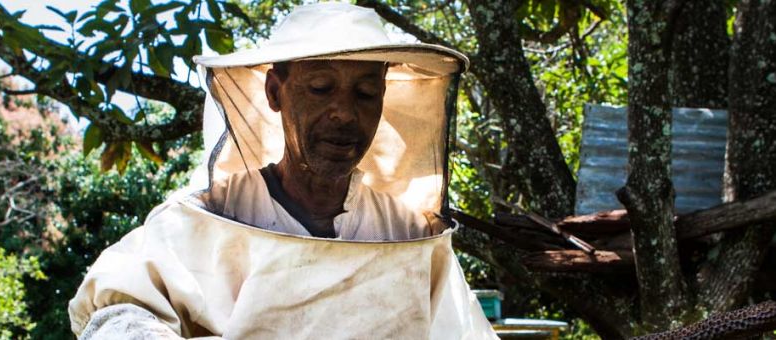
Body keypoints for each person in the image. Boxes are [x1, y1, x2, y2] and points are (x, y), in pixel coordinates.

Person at [69, 3, 497, 339]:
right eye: (320, 88)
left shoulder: (406, 231)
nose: (345, 114)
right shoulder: (209, 216)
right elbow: (117, 308)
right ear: (276, 92)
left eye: (366, 93)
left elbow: (460, 329)